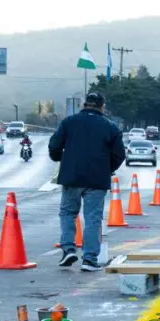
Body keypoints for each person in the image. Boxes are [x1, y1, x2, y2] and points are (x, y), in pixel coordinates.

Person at [48, 91, 125, 271]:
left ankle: (68, 249)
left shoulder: (69, 122)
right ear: (102, 106)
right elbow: (119, 154)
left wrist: (60, 159)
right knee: (92, 218)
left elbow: (54, 146)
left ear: (85, 104)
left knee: (67, 213)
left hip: (72, 177)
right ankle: (89, 260)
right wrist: (108, 168)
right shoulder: (110, 127)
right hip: (97, 179)